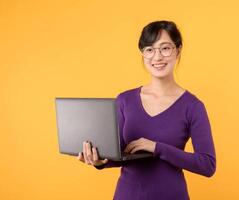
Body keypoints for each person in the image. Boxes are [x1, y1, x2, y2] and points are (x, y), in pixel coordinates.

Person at [77, 20, 216, 200]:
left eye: (165, 48)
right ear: (142, 54)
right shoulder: (124, 100)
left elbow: (207, 165)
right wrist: (100, 161)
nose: (157, 57)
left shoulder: (193, 106)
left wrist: (157, 148)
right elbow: (119, 154)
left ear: (178, 50)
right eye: (149, 49)